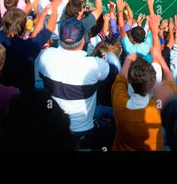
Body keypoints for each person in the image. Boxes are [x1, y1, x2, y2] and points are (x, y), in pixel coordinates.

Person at [38, 18, 118, 149]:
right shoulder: (94, 64)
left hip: (54, 125)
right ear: (82, 41)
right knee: (111, 132)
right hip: (82, 131)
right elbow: (114, 70)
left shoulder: (46, 56)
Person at [112, 14, 177, 151]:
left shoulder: (120, 102)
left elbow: (120, 80)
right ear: (152, 84)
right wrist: (160, 59)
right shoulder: (157, 107)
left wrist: (129, 60)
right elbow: (171, 84)